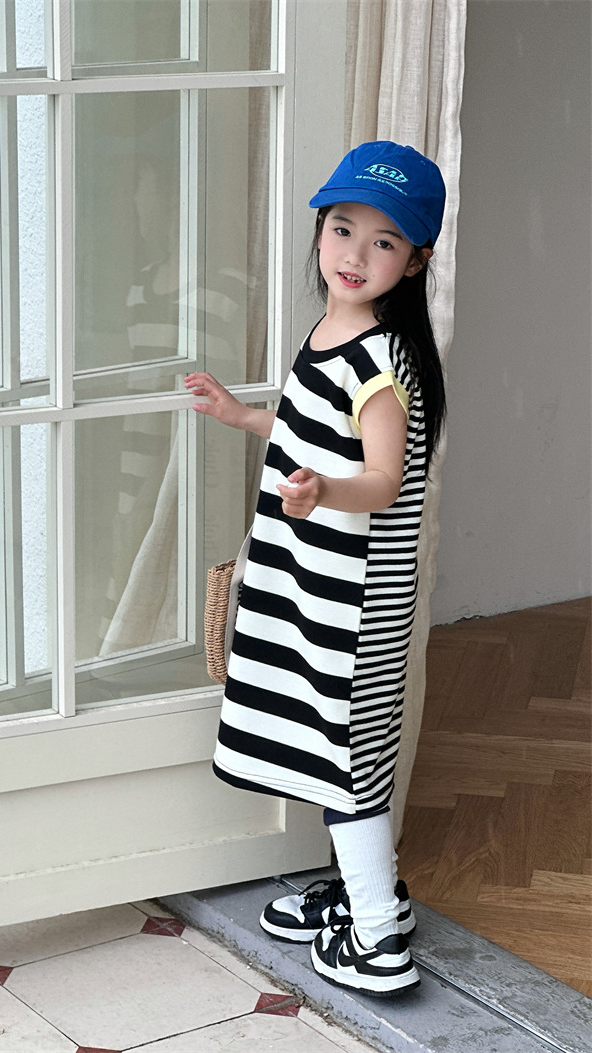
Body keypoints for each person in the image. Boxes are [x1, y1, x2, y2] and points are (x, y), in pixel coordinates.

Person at [184, 141, 447, 998]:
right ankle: (377, 897)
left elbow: (383, 478)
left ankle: (376, 939)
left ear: (415, 262)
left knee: (345, 752)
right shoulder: (330, 333)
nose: (355, 253)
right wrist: (244, 417)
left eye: (383, 241)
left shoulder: (378, 361)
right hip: (314, 579)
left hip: (352, 596)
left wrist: (324, 491)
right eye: (342, 229)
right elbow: (308, 429)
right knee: (329, 737)